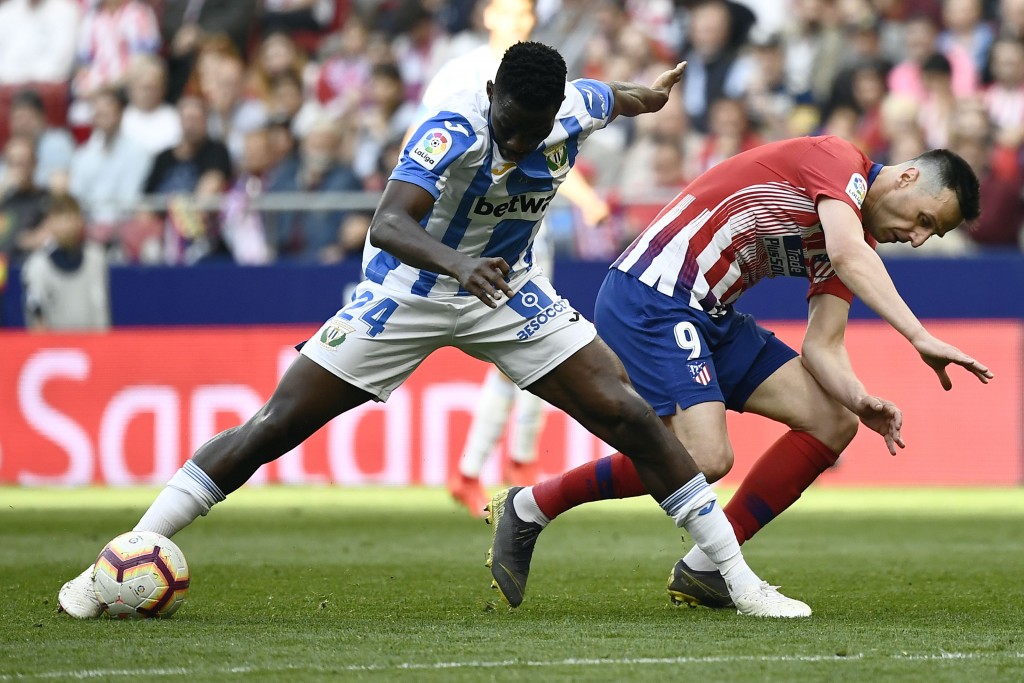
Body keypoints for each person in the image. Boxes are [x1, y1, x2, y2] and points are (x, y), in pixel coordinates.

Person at [57, 41, 810, 620]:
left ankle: (738, 581)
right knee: (275, 422)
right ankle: (116, 560)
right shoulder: (447, 132)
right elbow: (389, 222)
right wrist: (458, 263)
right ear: (491, 98)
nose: (519, 146)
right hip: (416, 287)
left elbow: (615, 97)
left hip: (509, 291)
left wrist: (653, 94)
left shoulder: (568, 109)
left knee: (632, 415)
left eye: (533, 133)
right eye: (510, 129)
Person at [486, 135, 993, 611]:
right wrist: (919, 336)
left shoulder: (854, 241)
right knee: (706, 457)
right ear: (905, 178)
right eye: (925, 218)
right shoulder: (838, 162)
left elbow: (823, 346)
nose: (921, 238)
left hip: (710, 314)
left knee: (833, 422)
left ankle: (705, 568)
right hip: (654, 294)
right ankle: (531, 506)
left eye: (934, 232)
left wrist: (859, 399)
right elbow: (846, 252)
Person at [411, 0, 612, 517]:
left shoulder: (547, 77)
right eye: (509, 10)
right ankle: (482, 467)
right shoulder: (462, 72)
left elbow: (551, 144)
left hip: (527, 233)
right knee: (516, 359)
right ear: (487, 15)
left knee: (533, 350)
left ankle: (507, 464)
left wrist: (586, 199)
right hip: (472, 239)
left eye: (526, 12)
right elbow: (426, 147)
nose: (519, 20)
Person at [22, 194, 110, 331]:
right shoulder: (37, 265)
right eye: (59, 219)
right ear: (48, 222)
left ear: (80, 220)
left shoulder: (96, 258)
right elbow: (36, 318)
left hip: (94, 346)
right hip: (55, 348)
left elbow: (101, 310)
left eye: (70, 217)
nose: (66, 226)